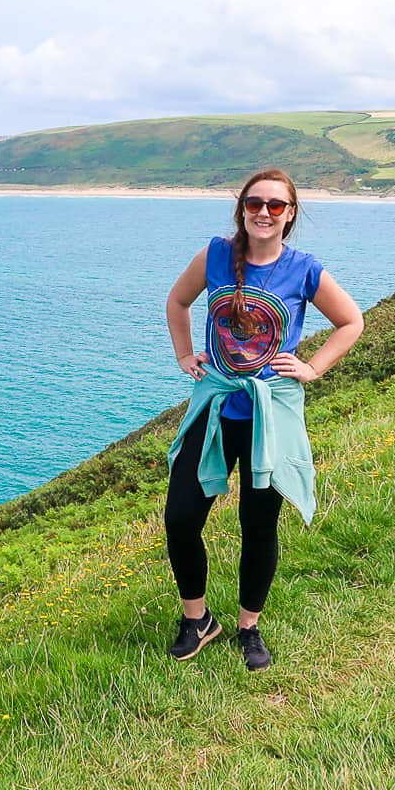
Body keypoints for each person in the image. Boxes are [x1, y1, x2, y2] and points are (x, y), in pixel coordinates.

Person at [162, 169, 363, 670]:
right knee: (181, 517)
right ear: (242, 209)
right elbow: (178, 300)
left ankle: (248, 627)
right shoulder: (214, 255)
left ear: (290, 214)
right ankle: (198, 619)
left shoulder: (304, 269)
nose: (265, 212)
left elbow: (351, 321)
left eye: (277, 205)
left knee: (259, 524)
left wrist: (312, 367)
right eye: (256, 203)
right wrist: (185, 354)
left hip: (270, 414)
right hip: (216, 407)